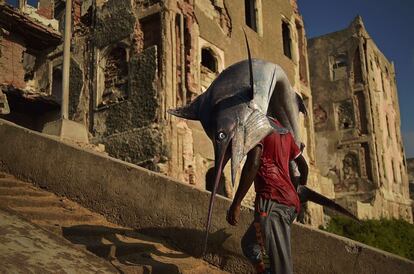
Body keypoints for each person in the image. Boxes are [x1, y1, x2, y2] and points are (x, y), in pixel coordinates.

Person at [226, 117, 308, 274]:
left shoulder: (258, 126)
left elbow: (253, 163)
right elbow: (303, 167)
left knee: (282, 268)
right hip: (287, 204)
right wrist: (298, 190)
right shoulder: (285, 133)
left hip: (272, 203)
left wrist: (236, 203)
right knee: (251, 245)